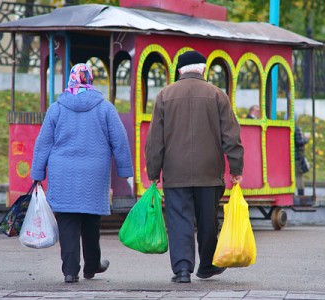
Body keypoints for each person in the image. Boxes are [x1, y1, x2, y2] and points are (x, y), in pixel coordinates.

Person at [145, 50, 244, 283]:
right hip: (209, 172)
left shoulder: (164, 95)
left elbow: (155, 139)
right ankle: (207, 265)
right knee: (208, 219)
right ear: (203, 69)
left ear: (179, 70)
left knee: (179, 219)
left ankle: (182, 270)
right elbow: (231, 136)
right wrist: (236, 168)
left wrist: (153, 172)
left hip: (175, 172)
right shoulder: (218, 95)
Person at [30, 63, 133, 283]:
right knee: (91, 219)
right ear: (90, 79)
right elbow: (120, 140)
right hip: (93, 174)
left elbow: (43, 143)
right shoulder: (104, 108)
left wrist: (38, 173)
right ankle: (92, 265)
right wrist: (125, 171)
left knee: (66, 219)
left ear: (70, 80)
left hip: (62, 173)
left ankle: (70, 271)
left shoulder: (57, 108)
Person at [295, 121, 310, 196]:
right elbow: (299, 142)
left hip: (288, 155)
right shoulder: (296, 129)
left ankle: (291, 193)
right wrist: (306, 138)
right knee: (299, 176)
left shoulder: (285, 128)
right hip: (297, 156)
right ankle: (301, 195)